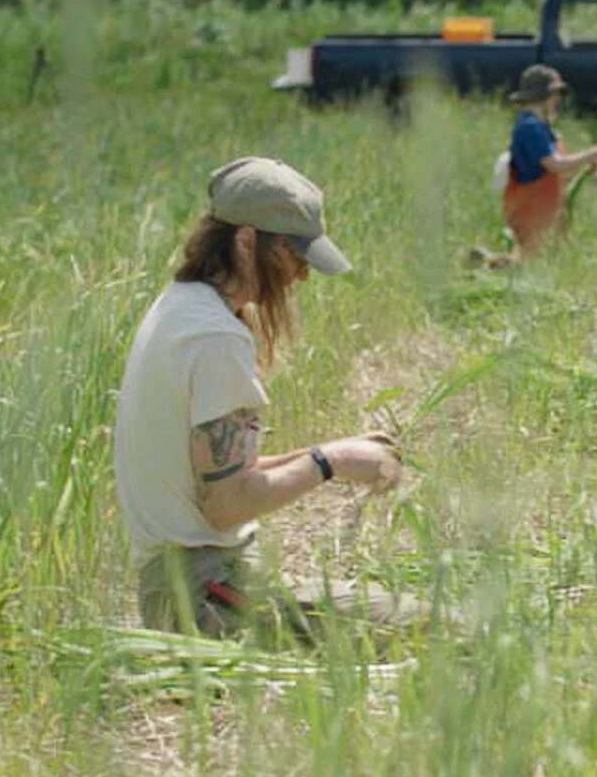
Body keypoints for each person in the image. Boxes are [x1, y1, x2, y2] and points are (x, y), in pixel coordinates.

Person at [114, 156, 423, 642]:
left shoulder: (181, 306)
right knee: (437, 630)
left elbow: (221, 476)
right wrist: (331, 461)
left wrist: (333, 449)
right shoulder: (214, 338)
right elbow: (225, 506)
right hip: (203, 598)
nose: (302, 275)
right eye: (295, 255)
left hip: (188, 585)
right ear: (245, 241)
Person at [487, 64, 597, 263]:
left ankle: (490, 261)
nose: (558, 100)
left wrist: (584, 168)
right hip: (530, 212)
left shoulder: (543, 129)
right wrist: (595, 153)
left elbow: (557, 172)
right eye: (556, 94)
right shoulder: (530, 128)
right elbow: (555, 165)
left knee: (540, 262)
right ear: (546, 96)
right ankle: (486, 263)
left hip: (547, 212)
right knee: (528, 264)